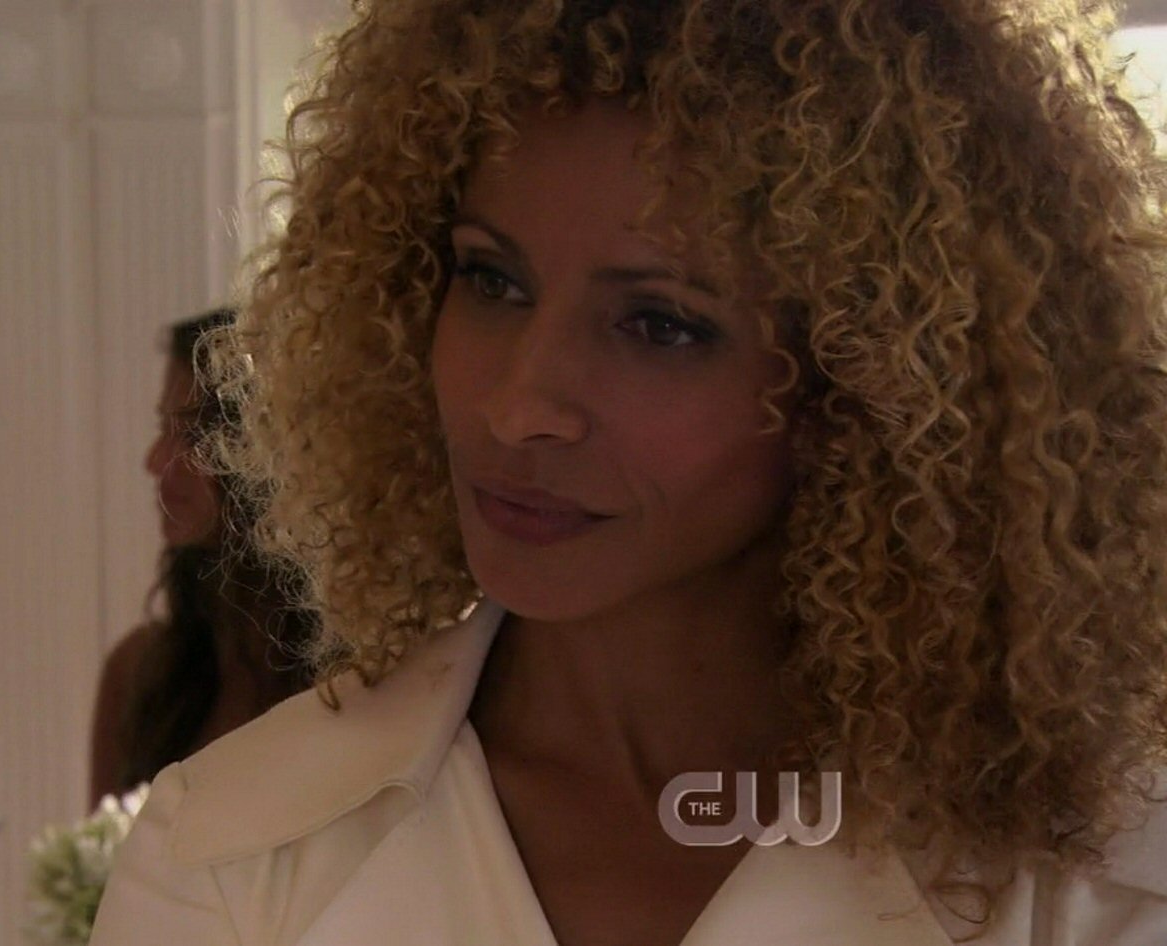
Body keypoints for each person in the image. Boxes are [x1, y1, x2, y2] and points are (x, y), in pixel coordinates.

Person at [89, 1, 1167, 944]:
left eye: (660, 324)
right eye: (490, 279)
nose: (520, 406)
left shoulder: (1092, 883)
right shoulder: (237, 855)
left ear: (875, 385)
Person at [86, 308, 314, 807]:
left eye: (190, 434)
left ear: (267, 453)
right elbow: (101, 855)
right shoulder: (137, 675)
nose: (153, 461)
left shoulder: (355, 683)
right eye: (163, 428)